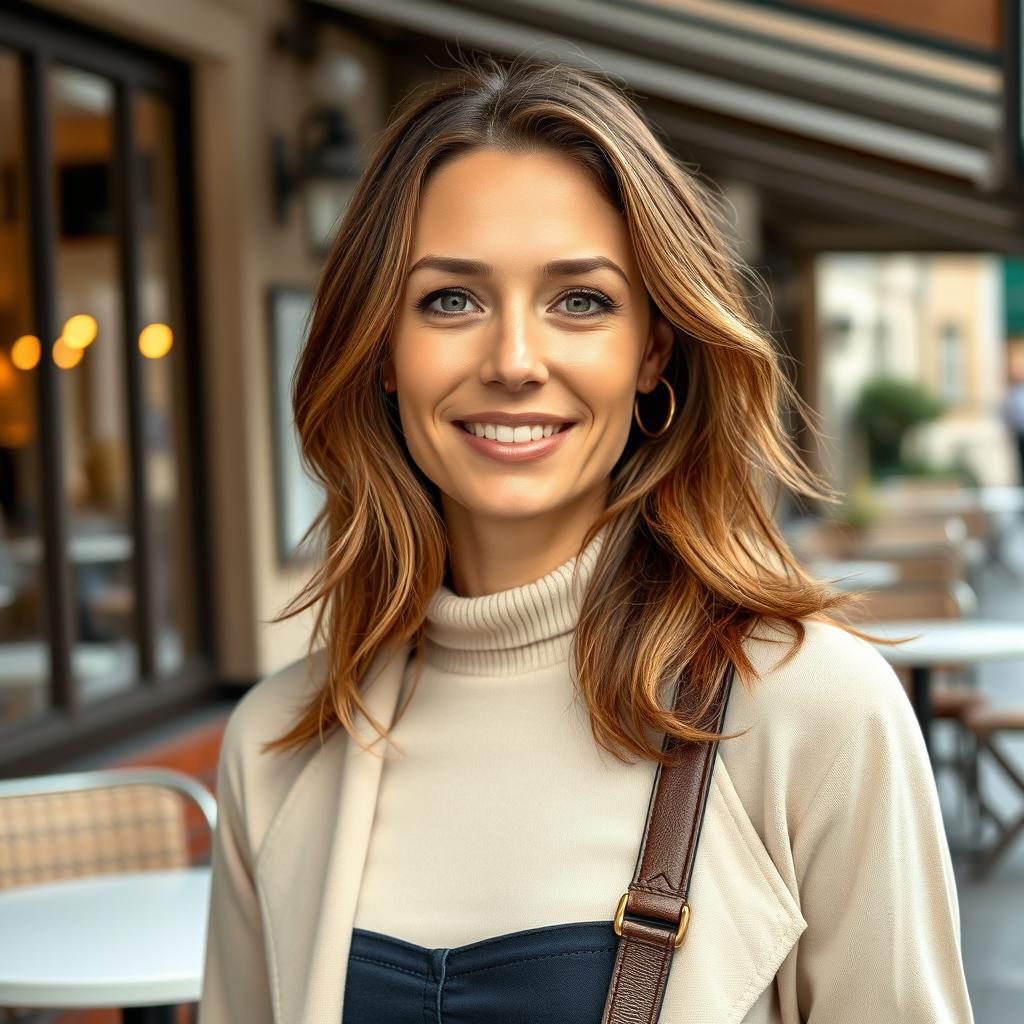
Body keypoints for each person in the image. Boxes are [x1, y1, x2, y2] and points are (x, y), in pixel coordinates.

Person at [198, 55, 973, 1023]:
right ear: (382, 350)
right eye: (450, 299)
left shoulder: (815, 717)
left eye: (579, 300)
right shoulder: (274, 749)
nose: (514, 361)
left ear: (652, 350)